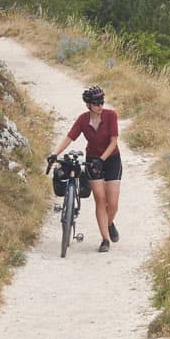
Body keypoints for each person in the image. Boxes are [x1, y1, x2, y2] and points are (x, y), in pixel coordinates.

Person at [50, 86, 122, 252]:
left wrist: (101, 160)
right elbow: (70, 137)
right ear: (88, 105)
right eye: (96, 103)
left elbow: (114, 142)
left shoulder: (111, 116)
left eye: (102, 102)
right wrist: (55, 154)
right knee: (100, 199)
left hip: (111, 159)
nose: (100, 106)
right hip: (92, 160)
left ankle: (109, 223)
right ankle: (105, 239)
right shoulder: (83, 120)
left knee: (113, 204)